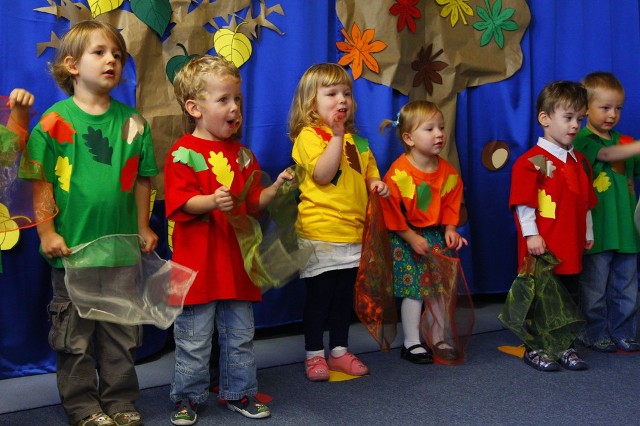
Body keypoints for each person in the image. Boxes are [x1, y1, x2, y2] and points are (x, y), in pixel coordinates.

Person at [20, 20, 158, 426]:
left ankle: (119, 401)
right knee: (74, 338)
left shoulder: (134, 122)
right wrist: (46, 231)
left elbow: (142, 179)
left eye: (116, 54)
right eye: (99, 53)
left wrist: (145, 227)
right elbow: (38, 179)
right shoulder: (53, 122)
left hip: (120, 251)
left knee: (120, 333)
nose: (111, 60)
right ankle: (83, 407)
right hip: (73, 252)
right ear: (72, 65)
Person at [164, 54, 292, 425]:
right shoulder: (182, 152)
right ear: (195, 108)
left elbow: (252, 203)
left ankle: (239, 392)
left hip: (237, 267)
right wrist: (211, 201)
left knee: (240, 338)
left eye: (237, 99)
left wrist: (276, 189)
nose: (235, 108)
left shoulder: (244, 155)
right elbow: (181, 202)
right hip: (197, 270)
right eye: (223, 100)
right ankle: (186, 398)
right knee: (193, 340)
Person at [288, 63, 389, 382]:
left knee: (344, 298)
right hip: (320, 233)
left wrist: (376, 183)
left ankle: (339, 351)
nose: (341, 99)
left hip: (353, 234)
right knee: (320, 298)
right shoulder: (308, 136)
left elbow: (368, 171)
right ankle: (314, 354)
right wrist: (335, 135)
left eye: (346, 93)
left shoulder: (358, 141)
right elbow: (323, 173)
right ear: (310, 104)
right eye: (331, 94)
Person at [508, 81, 597, 372]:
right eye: (568, 118)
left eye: (579, 119)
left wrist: (588, 233)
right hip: (543, 246)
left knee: (568, 297)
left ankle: (564, 345)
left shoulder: (580, 161)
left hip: (570, 245)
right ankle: (535, 348)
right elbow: (525, 202)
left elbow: (584, 202)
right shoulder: (535, 160)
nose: (575, 125)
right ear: (545, 119)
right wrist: (531, 235)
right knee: (539, 298)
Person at [378, 101, 467, 364]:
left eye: (440, 127)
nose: (439, 133)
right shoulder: (399, 172)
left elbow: (452, 201)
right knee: (414, 289)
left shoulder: (448, 171)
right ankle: (411, 342)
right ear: (409, 138)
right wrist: (410, 237)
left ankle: (438, 337)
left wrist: (451, 230)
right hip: (406, 236)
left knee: (439, 289)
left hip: (434, 235)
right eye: (429, 129)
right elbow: (390, 210)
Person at [572, 72, 640, 353]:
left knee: (627, 288)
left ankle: (623, 331)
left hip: (627, 232)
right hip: (598, 231)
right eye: (605, 107)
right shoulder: (581, 140)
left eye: (618, 108)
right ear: (586, 109)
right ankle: (593, 332)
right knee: (594, 288)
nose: (613, 114)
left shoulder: (626, 141)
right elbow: (608, 156)